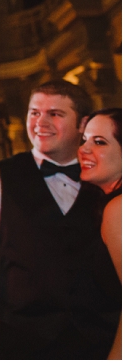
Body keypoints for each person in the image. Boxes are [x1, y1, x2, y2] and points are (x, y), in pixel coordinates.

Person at [0, 80, 119, 359]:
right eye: (34, 112)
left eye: (55, 113)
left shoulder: (107, 180)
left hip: (102, 347)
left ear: (83, 124)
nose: (41, 122)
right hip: (25, 349)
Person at [78, 108, 122, 360]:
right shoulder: (107, 206)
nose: (84, 149)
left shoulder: (118, 209)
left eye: (99, 142)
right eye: (84, 140)